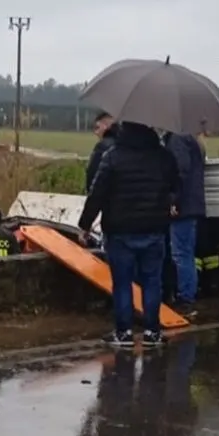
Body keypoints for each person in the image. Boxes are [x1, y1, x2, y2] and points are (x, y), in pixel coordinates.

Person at [77, 121, 179, 348]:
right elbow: (175, 186)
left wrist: (84, 225)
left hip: (119, 230)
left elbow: (97, 194)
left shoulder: (113, 156)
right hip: (154, 228)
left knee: (122, 283)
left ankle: (124, 333)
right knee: (153, 281)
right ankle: (153, 332)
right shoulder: (163, 156)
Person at [163, 131, 206, 317]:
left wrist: (174, 200)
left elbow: (180, 170)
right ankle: (187, 297)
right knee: (186, 253)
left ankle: (185, 300)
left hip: (184, 206)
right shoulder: (190, 139)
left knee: (181, 254)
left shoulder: (177, 139)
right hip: (191, 204)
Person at [85, 112, 117, 193]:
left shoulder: (103, 147)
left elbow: (92, 174)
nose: (96, 133)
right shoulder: (125, 145)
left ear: (106, 126)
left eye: (97, 128)